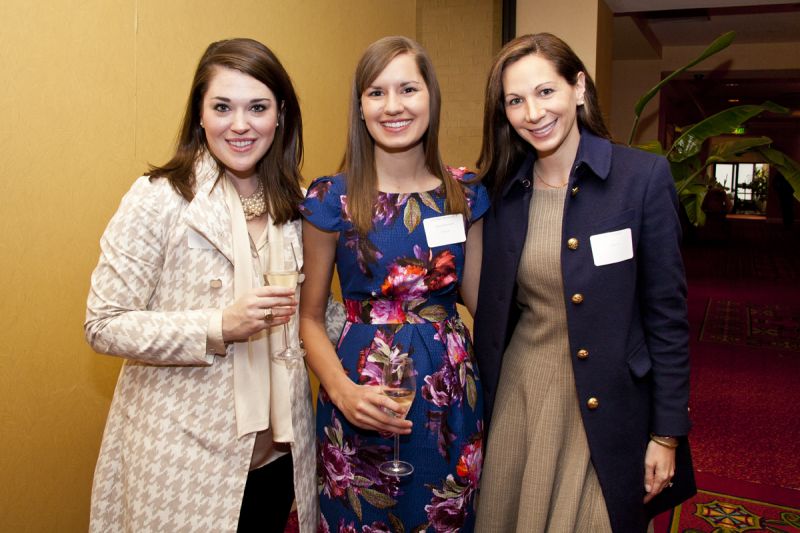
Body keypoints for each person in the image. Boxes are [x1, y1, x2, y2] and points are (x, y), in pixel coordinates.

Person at [84, 38, 318, 532]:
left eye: (257, 107)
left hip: (279, 461)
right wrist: (218, 325)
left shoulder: (300, 206)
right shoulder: (160, 199)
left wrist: (391, 331)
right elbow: (103, 324)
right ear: (200, 116)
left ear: (280, 116)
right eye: (222, 107)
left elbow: (317, 314)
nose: (240, 125)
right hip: (181, 468)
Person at [472, 33, 696, 532]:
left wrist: (667, 434)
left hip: (610, 404)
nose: (533, 112)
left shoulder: (641, 179)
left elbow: (667, 318)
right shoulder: (500, 194)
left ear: (578, 88)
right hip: (522, 398)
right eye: (515, 100)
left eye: (545, 92)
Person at [299, 36, 489, 532]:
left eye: (408, 88)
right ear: (360, 108)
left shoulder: (464, 193)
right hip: (360, 391)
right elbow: (309, 317)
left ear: (431, 99)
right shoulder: (331, 198)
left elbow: (484, 303)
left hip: (448, 396)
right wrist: (342, 393)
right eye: (376, 92)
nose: (394, 105)